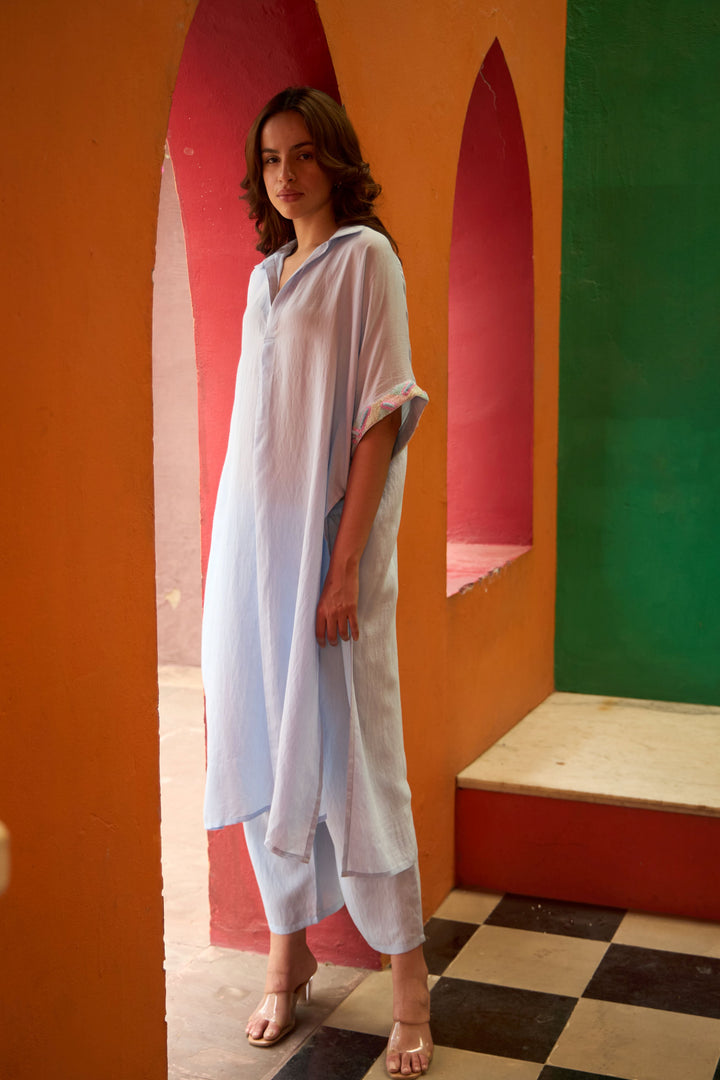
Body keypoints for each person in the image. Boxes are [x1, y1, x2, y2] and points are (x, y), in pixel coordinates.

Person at [201, 86, 432, 1079]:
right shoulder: (265, 281)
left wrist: (344, 569)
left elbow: (381, 416)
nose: (285, 175)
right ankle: (286, 956)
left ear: (335, 159)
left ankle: (411, 987)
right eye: (269, 159)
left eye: (302, 154)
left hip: (330, 557)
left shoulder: (365, 261)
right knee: (260, 732)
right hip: (253, 555)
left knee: (358, 758)